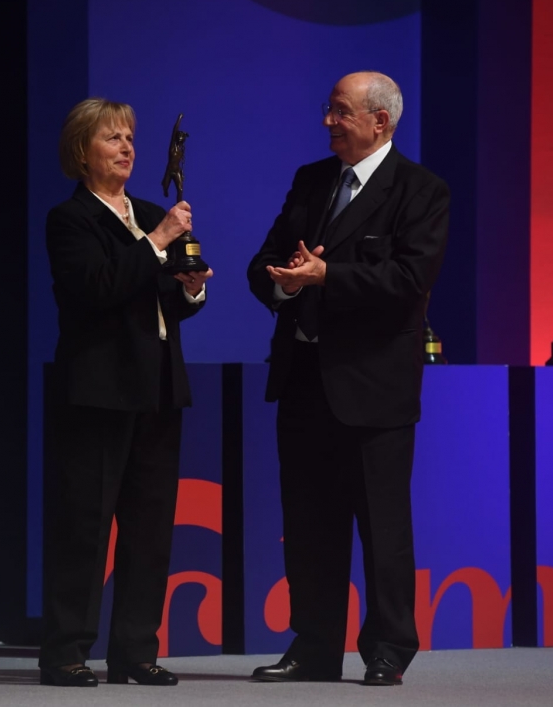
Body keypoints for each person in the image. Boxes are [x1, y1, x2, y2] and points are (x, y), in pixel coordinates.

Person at [246, 71, 449, 686]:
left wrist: (327, 276)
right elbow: (265, 264)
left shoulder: (420, 190)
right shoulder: (312, 180)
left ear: (379, 121)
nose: (328, 122)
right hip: (305, 380)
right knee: (307, 524)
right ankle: (313, 645)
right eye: (329, 111)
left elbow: (408, 283)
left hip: (374, 389)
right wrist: (283, 280)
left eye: (340, 113)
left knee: (383, 527)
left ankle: (389, 648)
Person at [39, 98, 213, 688]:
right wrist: (160, 239)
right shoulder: (72, 220)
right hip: (98, 390)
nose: (127, 147)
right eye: (112, 137)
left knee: (150, 528)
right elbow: (96, 289)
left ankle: (135, 651)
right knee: (85, 527)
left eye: (130, 137)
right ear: (82, 150)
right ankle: (66, 651)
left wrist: (190, 291)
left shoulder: (143, 211)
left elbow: (160, 301)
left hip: (157, 389)